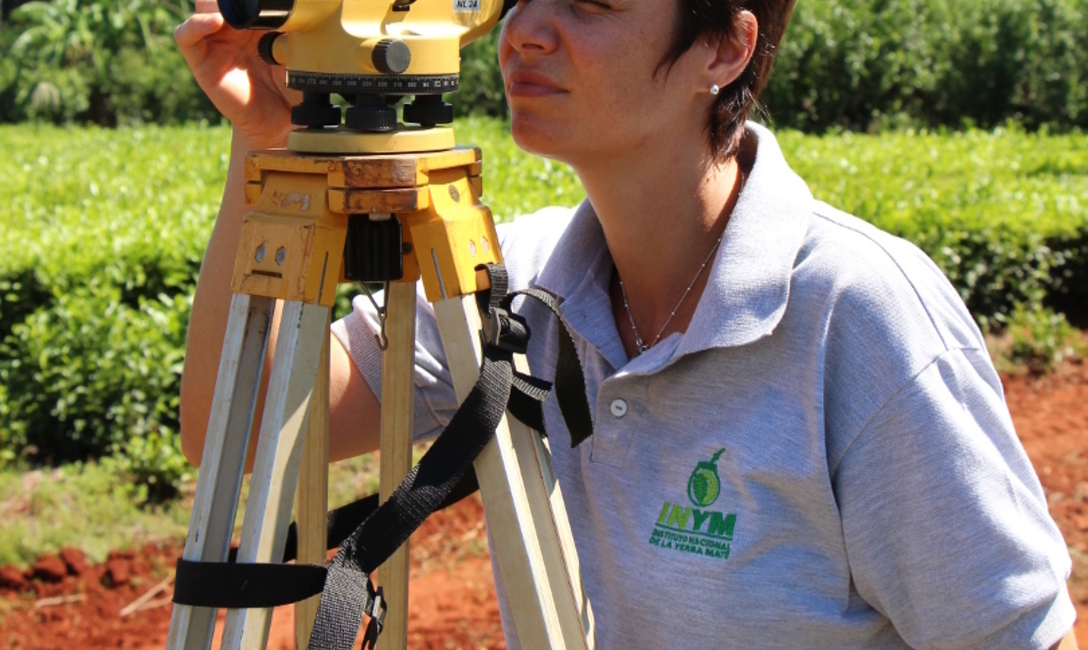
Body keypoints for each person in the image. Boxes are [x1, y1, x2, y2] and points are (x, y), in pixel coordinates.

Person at [175, 0, 1079, 647]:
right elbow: (238, 424)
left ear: (722, 48)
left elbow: (1013, 635)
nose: (526, 28)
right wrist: (265, 141)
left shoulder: (861, 315)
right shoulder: (514, 289)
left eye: (592, 3)